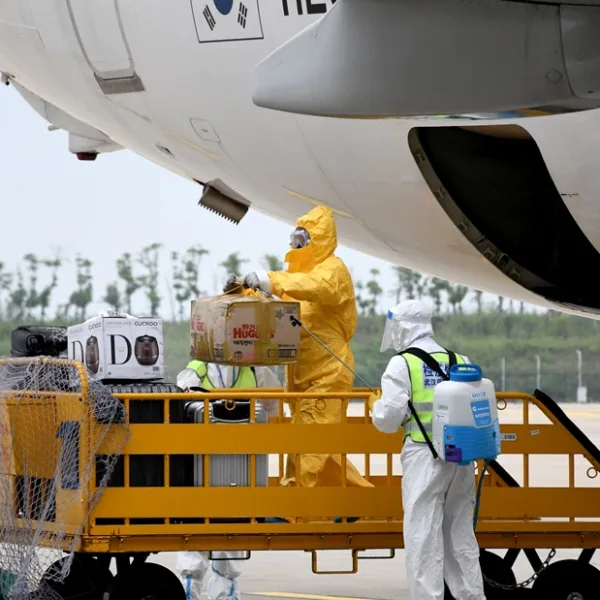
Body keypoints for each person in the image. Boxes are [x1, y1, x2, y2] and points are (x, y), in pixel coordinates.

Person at [229, 205, 372, 498]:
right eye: (294, 238)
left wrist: (272, 279)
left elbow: (317, 287)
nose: (295, 245)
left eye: (302, 239)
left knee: (307, 446)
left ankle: (297, 511)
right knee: (324, 449)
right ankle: (359, 506)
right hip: (301, 377)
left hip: (328, 375)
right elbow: (276, 294)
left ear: (317, 240)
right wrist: (241, 290)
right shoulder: (295, 277)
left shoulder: (333, 270)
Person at [368, 299, 485, 600]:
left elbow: (388, 419)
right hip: (460, 457)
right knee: (460, 536)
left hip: (424, 458)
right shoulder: (459, 358)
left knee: (423, 537)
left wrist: (375, 408)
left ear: (405, 327)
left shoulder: (402, 363)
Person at [175, 360, 281, 600]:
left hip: (223, 466)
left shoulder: (250, 370)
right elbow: (273, 408)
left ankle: (194, 590)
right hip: (222, 466)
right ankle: (212, 592)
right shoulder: (252, 370)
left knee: (213, 531)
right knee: (224, 531)